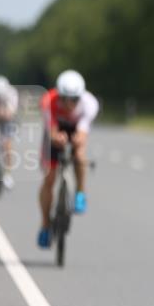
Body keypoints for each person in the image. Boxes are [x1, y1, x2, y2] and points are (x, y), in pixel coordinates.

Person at [37, 70, 99, 248]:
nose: (70, 104)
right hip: (56, 127)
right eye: (65, 99)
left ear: (81, 97)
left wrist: (76, 140)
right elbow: (51, 130)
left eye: (74, 99)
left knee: (79, 154)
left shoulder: (89, 104)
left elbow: (82, 133)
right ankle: (45, 225)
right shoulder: (48, 101)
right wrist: (56, 138)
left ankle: (80, 193)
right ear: (59, 95)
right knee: (49, 178)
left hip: (75, 128)